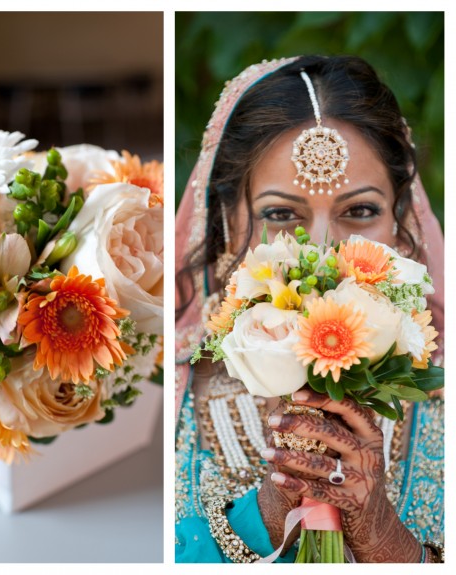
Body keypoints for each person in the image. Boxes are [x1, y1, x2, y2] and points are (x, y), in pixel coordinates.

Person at [175, 55, 444, 563]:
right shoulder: (169, 395)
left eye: (360, 211)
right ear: (229, 224)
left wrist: (388, 542)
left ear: (399, 221)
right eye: (281, 215)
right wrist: (267, 517)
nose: (322, 252)